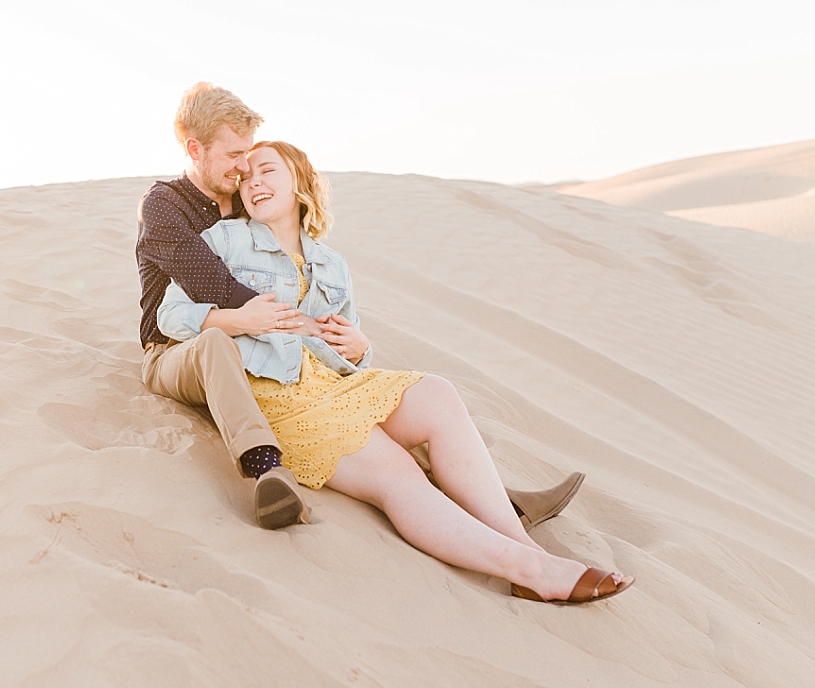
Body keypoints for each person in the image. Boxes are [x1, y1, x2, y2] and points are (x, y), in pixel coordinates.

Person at [155, 140, 634, 604]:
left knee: (438, 395)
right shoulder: (224, 239)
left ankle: (526, 549)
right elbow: (170, 315)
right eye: (246, 177)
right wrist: (240, 318)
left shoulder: (332, 264)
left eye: (267, 170)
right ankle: (526, 570)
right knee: (398, 472)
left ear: (299, 181)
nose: (253, 182)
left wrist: (361, 347)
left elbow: (348, 345)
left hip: (336, 384)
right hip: (276, 391)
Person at [136, 83, 585, 536]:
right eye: (235, 155)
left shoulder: (242, 197)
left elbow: (289, 266)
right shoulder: (165, 206)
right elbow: (205, 280)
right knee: (220, 345)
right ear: (195, 149)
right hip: (177, 343)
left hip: (256, 344)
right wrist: (292, 323)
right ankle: (265, 469)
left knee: (366, 402)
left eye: (250, 156)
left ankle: (497, 501)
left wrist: (347, 340)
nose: (244, 168)